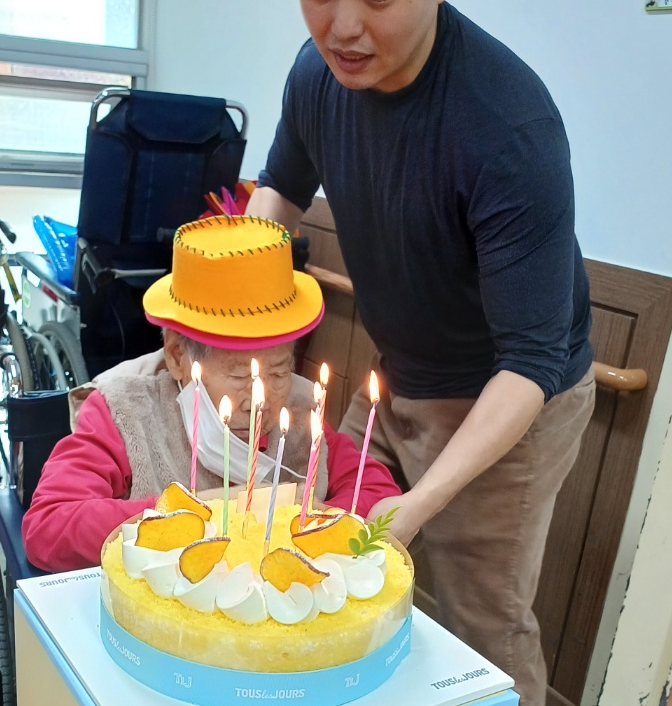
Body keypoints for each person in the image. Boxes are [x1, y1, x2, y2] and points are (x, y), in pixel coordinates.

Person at [246, 0, 595, 706]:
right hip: (401, 379)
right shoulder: (317, 76)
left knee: (485, 626)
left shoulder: (508, 126)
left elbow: (531, 364)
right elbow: (277, 192)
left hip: (512, 403)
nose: (342, 25)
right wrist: (235, 308)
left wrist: (420, 504)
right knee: (363, 585)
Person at [22, 230, 400, 572]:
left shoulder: (300, 414)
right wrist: (207, 511)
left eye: (279, 372)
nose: (260, 401)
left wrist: (306, 523)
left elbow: (376, 492)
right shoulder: (124, 413)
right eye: (239, 376)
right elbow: (48, 527)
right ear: (177, 356)